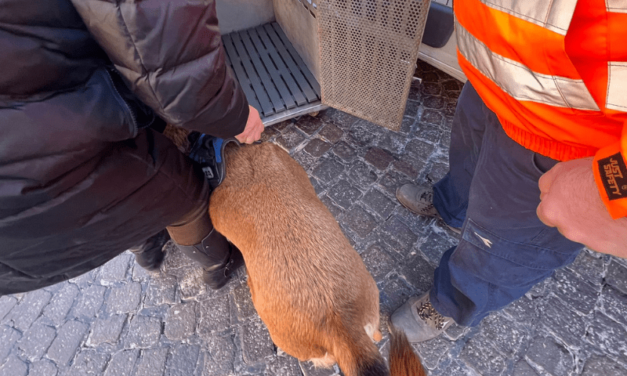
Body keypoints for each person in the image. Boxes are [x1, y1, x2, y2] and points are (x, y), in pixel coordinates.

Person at [392, 0, 627, 342]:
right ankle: (451, 207)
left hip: (565, 131)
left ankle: (452, 304)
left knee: (504, 248)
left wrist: (613, 185)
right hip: (494, 74)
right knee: (467, 164)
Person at [0, 0, 263, 295]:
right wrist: (232, 115)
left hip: (11, 230)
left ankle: (148, 249)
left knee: (123, 204)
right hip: (65, 139)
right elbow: (164, 46)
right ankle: (218, 266)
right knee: (184, 195)